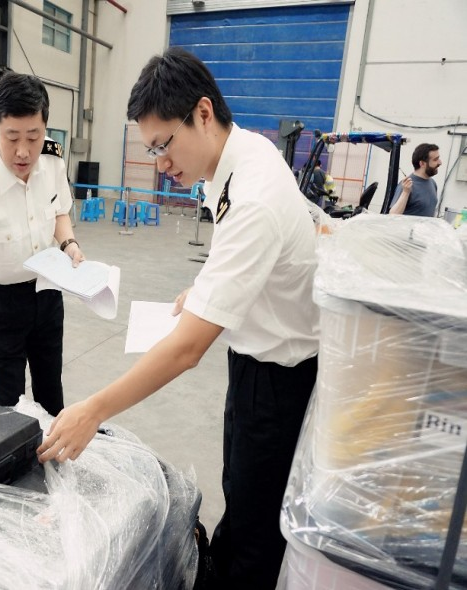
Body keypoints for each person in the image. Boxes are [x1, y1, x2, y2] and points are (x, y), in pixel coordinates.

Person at [36, 47, 319, 589]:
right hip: (255, 359)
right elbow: (245, 255)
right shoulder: (236, 159)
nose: (161, 165)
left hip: (279, 379)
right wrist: (208, 287)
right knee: (240, 494)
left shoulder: (253, 192)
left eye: (164, 145)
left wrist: (94, 410)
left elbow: (188, 350)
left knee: (258, 531)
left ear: (204, 114)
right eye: (152, 150)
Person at [0, 72, 84, 417]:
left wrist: (68, 243)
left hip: (47, 292)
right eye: (12, 137)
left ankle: (54, 467)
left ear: (45, 129)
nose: (23, 151)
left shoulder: (52, 160)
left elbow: (59, 211)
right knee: (5, 407)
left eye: (34, 137)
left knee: (51, 395)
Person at [389, 143, 441, 216]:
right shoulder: (406, 185)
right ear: (422, 163)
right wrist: (405, 192)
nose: (440, 162)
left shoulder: (433, 183)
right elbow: (393, 215)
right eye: (435, 160)